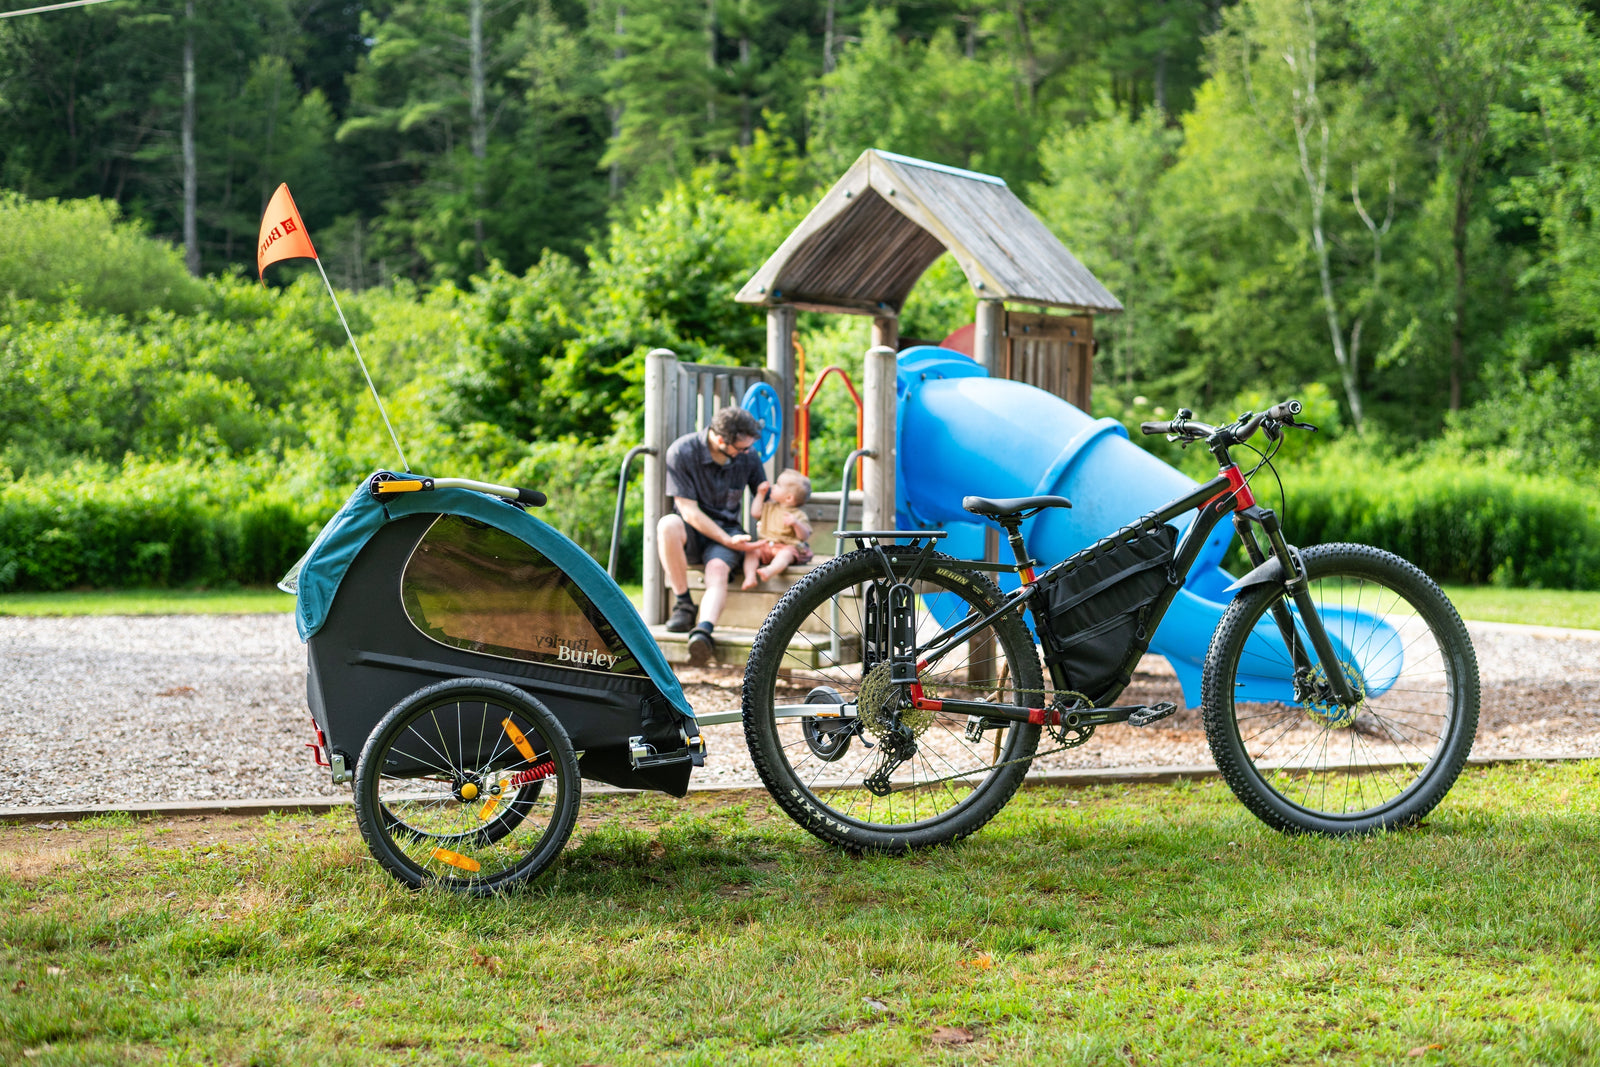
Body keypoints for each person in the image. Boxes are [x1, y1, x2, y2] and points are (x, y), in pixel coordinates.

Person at [657, 406, 768, 665]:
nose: (747, 453)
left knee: (718, 569)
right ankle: (683, 605)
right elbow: (688, 510)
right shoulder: (681, 452)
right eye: (740, 449)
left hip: (730, 531)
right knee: (667, 524)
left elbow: (763, 504)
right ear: (719, 439)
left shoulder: (748, 456)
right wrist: (726, 539)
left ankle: (703, 632)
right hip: (692, 529)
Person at [742, 469, 813, 590]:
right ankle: (750, 577)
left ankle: (769, 571)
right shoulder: (770, 506)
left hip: (786, 546)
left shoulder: (798, 515)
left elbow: (804, 536)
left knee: (785, 555)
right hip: (766, 545)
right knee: (752, 552)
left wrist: (796, 524)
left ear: (789, 498)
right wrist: (760, 494)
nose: (773, 486)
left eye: (778, 485)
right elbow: (755, 513)